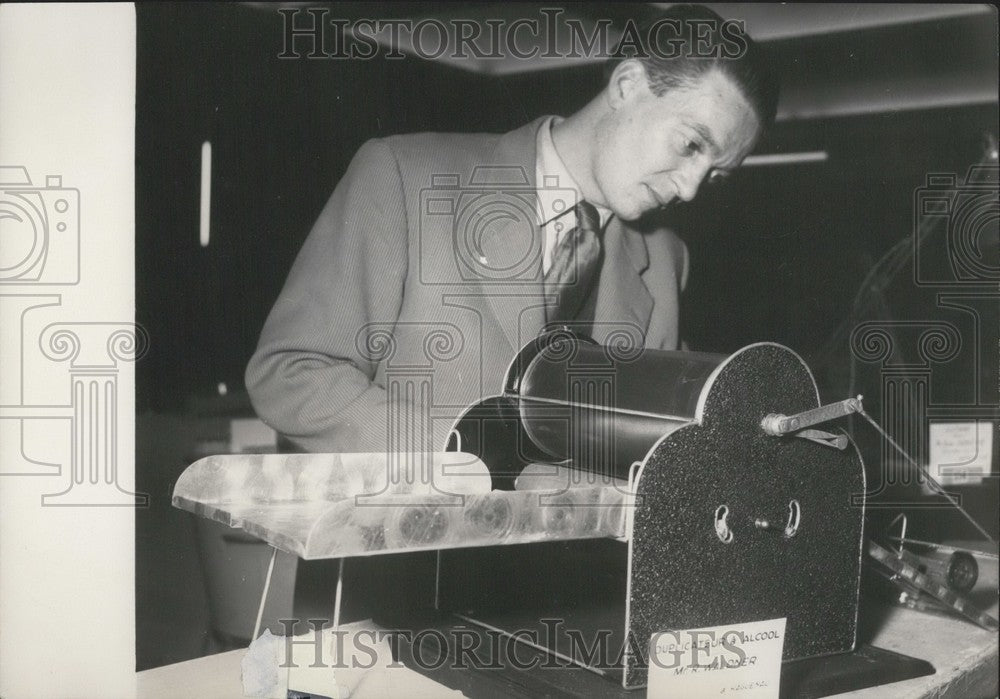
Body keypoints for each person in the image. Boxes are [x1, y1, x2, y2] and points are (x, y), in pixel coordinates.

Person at [246, 5, 778, 455]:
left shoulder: (665, 261)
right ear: (627, 84)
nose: (689, 189)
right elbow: (291, 373)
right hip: (405, 569)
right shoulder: (405, 175)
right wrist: (455, 451)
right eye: (690, 145)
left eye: (715, 175)